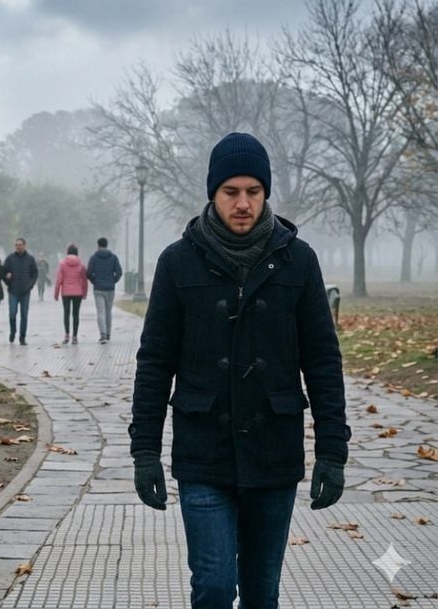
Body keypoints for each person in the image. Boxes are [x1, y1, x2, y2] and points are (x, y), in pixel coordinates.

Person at [129, 132, 350, 608]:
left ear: (266, 192)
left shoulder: (299, 260)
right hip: (203, 451)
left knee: (261, 592)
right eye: (231, 191)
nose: (243, 203)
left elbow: (323, 362)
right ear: (213, 193)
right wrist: (144, 452)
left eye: (254, 191)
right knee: (213, 584)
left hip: (274, 451)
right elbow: (155, 363)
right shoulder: (177, 262)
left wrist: (333, 452)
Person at [86, 237, 123, 344]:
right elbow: (119, 272)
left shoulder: (93, 258)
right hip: (110, 288)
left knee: (100, 312)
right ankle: (108, 333)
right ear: (107, 245)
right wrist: (113, 281)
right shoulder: (113, 257)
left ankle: (102, 334)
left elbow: (89, 273)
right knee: (108, 311)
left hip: (98, 288)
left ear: (98, 245)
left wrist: (94, 281)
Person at [2, 238, 37, 346]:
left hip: (25, 292)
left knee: (24, 315)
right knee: (12, 313)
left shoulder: (30, 259)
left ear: (24, 246)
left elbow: (35, 274)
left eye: (20, 245)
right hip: (13, 291)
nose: (18, 247)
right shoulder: (10, 258)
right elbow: (3, 272)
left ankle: (22, 337)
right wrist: (8, 281)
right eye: (16, 245)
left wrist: (30, 285)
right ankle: (13, 332)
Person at [54, 244, 88, 345]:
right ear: (77, 253)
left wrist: (56, 293)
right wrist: (84, 293)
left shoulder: (62, 264)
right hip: (78, 292)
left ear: (67, 252)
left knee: (66, 313)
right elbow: (84, 281)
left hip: (66, 292)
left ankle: (67, 335)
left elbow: (59, 280)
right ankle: (75, 337)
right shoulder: (81, 265)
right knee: (76, 314)